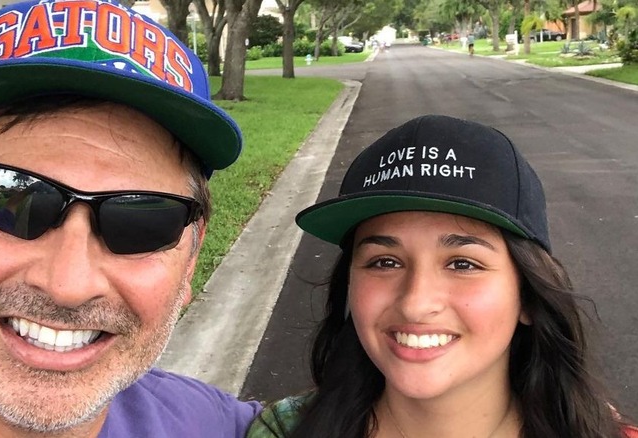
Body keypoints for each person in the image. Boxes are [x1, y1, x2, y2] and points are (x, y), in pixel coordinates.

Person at [0, 0, 262, 436]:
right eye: (12, 198)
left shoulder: (214, 425)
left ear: (190, 258)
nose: (68, 286)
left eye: (141, 221)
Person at [247, 115, 637, 438]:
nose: (416, 303)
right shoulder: (283, 430)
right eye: (384, 261)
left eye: (462, 264)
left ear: (528, 295)